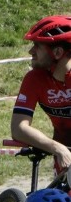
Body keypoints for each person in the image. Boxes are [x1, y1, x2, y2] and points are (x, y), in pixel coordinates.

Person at [11, 16, 71, 173]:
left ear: (57, 52)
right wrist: (57, 147)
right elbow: (18, 128)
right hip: (64, 157)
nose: (30, 51)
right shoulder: (34, 79)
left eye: (37, 46)